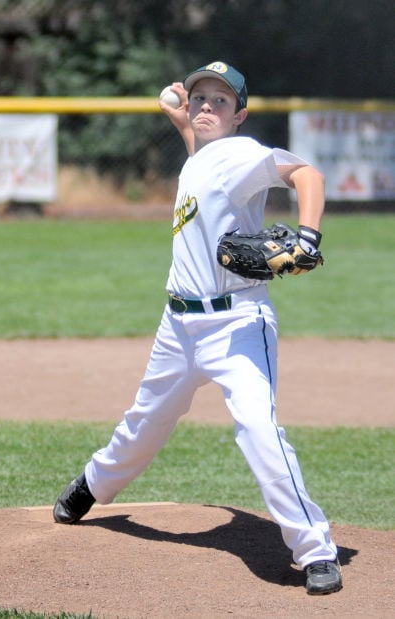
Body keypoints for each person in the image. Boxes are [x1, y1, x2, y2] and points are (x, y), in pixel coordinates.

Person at [53, 61, 342, 596]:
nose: (208, 106)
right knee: (144, 423)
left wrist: (308, 236)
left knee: (258, 428)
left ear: (241, 116)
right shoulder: (204, 156)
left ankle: (316, 550)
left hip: (236, 324)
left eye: (221, 101)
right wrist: (178, 118)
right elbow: (200, 147)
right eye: (200, 97)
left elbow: (307, 174)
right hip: (178, 326)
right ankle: (92, 484)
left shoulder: (243, 153)